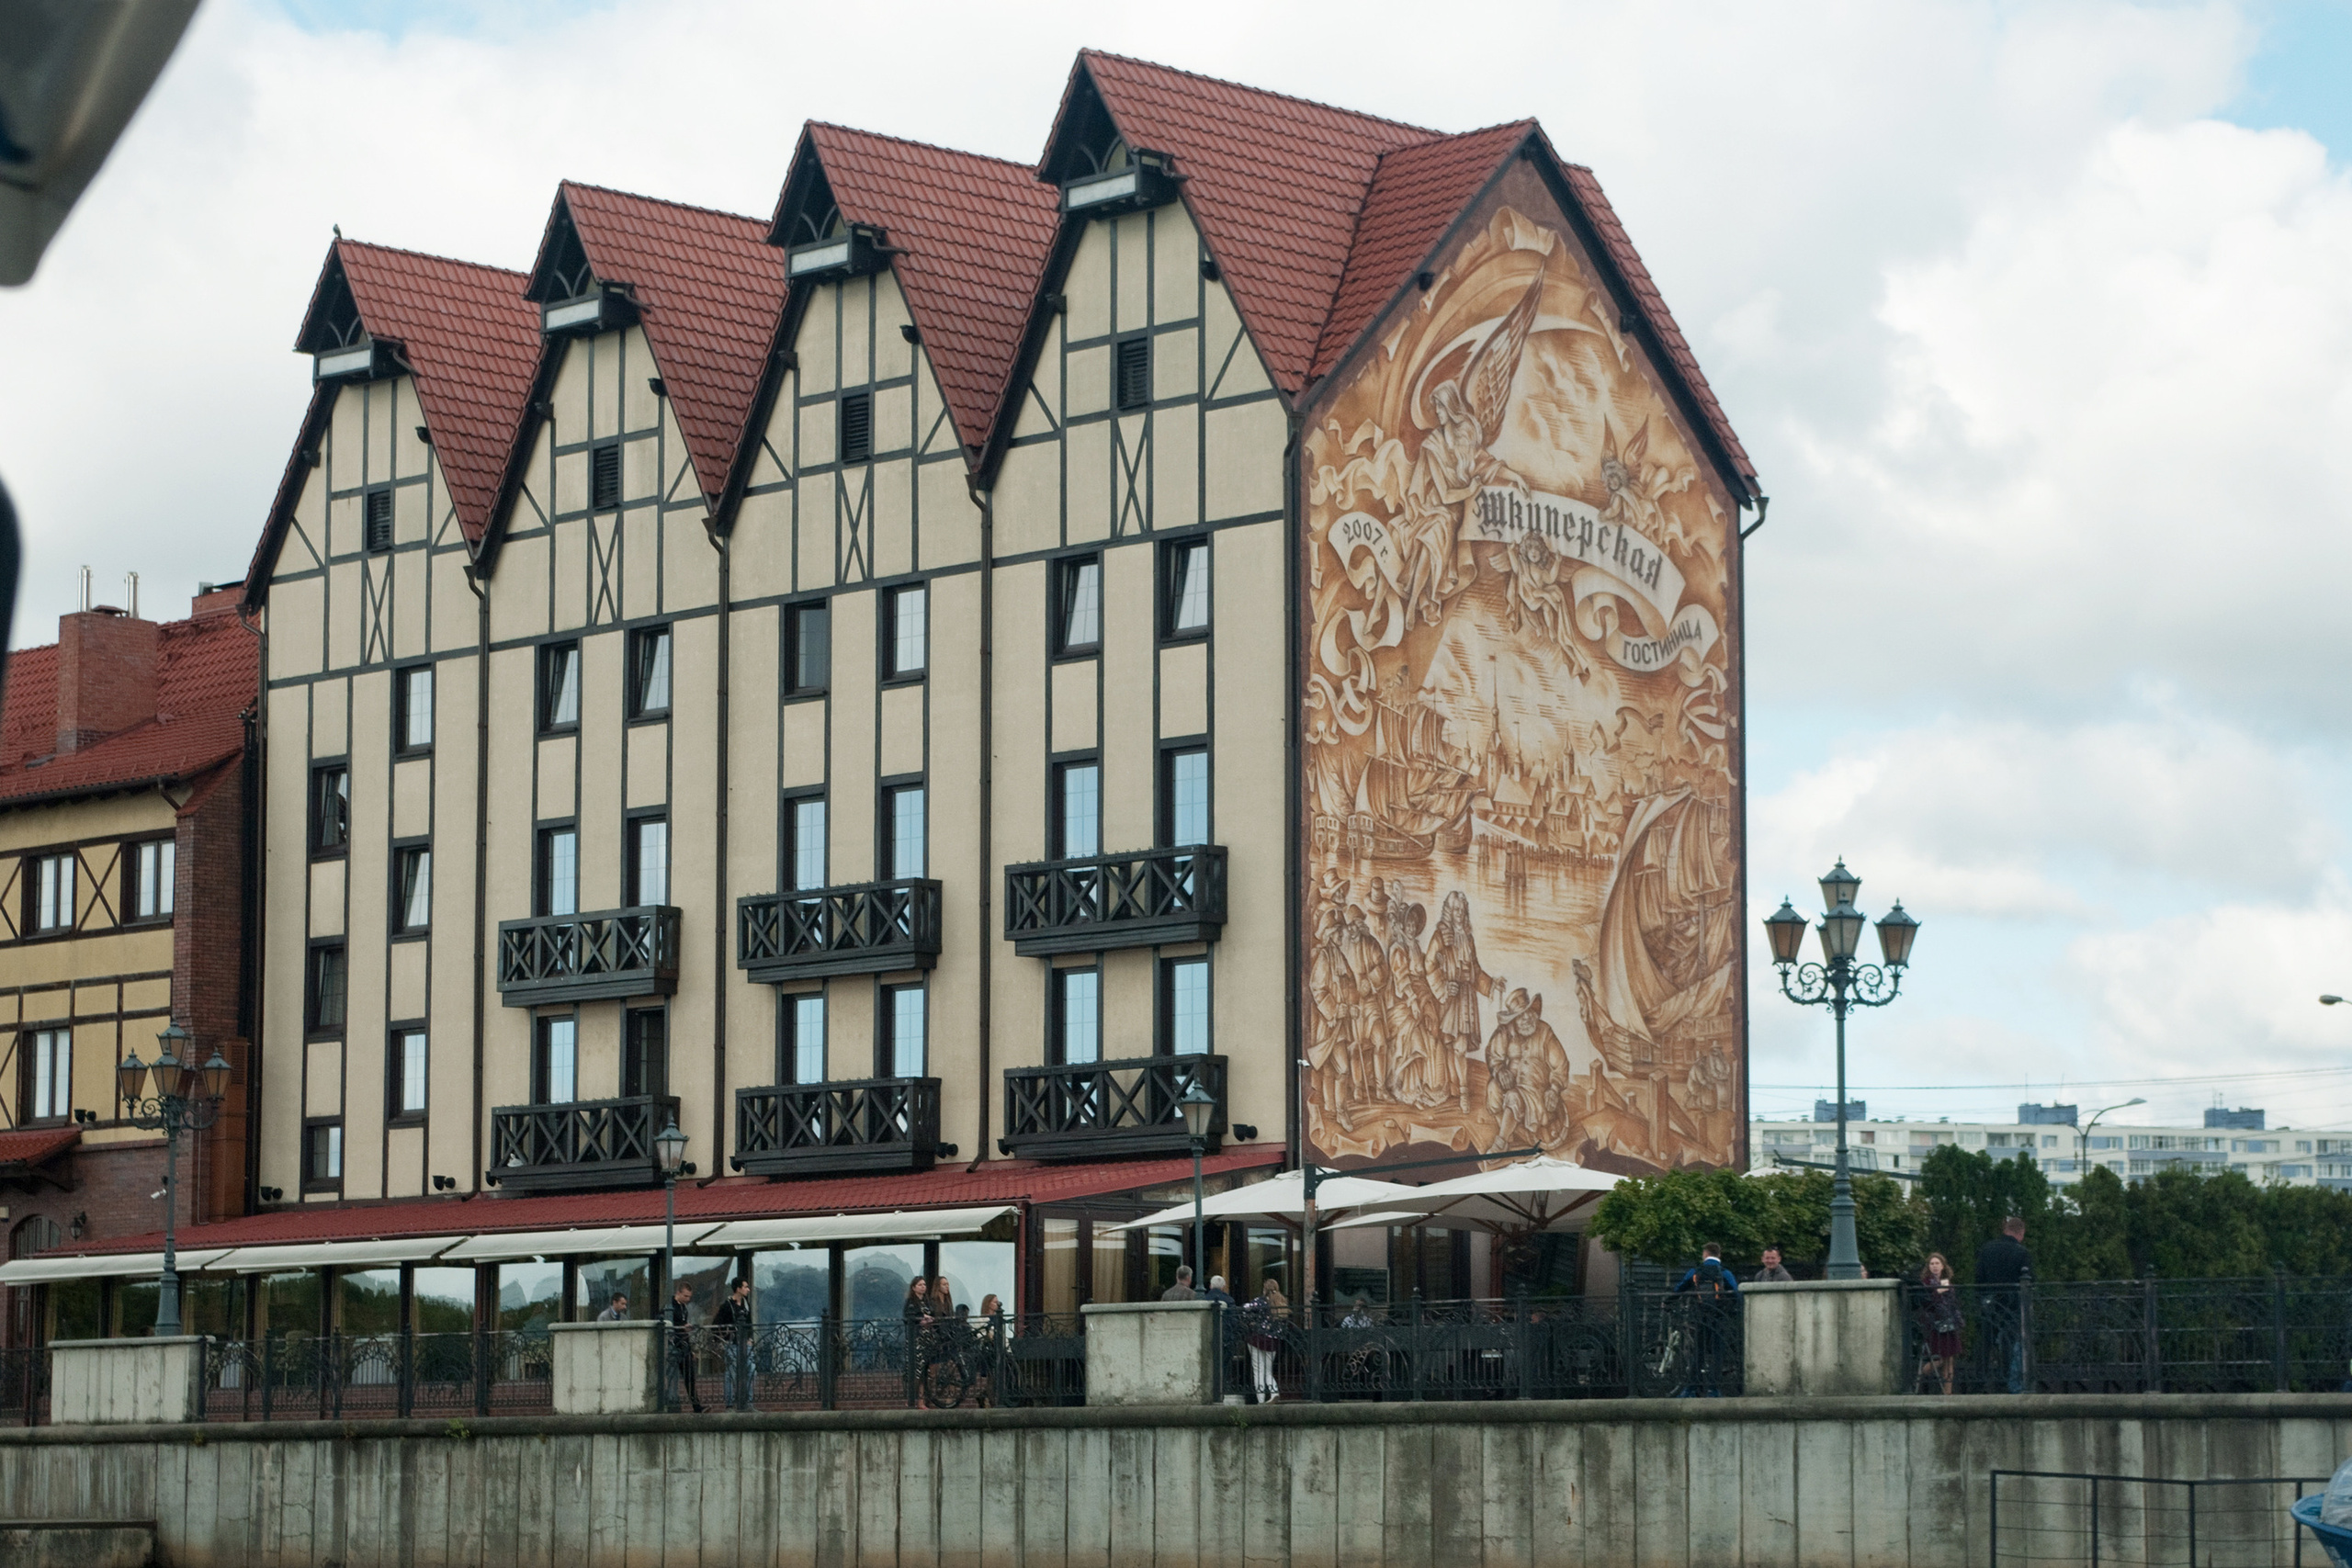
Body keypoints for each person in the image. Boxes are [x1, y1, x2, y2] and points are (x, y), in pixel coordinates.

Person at [1672, 1243, 1740, 1397]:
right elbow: (1736, 1293)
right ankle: (1713, 1390)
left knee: (1699, 1353)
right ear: (1719, 1255)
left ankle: (1691, 1388)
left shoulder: (1696, 1271)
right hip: (1718, 1317)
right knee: (1717, 1353)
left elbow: (1680, 1288)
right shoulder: (1725, 1272)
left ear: (1705, 1253)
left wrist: (1668, 1302)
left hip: (1701, 1317)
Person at [1975, 1216, 2032, 1394]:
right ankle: (2005, 1381)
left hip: (1989, 1304)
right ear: (2020, 1233)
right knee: (2009, 1343)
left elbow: (1978, 1279)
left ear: (2005, 1230)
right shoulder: (2022, 1253)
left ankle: (1979, 1381)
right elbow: (2030, 1282)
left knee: (1985, 1343)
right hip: (2012, 1306)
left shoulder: (1987, 1249)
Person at [1918, 1253, 1963, 1395]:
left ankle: (1948, 1394)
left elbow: (1953, 1302)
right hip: (1935, 1324)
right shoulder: (1926, 1282)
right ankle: (1923, 1372)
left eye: (1937, 1263)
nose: (1935, 1266)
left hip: (1950, 1323)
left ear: (1943, 1265)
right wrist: (1937, 1292)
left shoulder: (1947, 1281)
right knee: (1940, 1357)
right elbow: (1925, 1303)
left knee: (1950, 1359)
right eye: (1932, 1264)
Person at [710, 1276, 754, 1411]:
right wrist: (725, 1337)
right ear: (738, 1289)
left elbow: (749, 1323)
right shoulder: (727, 1306)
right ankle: (729, 1404)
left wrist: (750, 1338)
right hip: (732, 1344)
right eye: (746, 1287)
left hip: (745, 1345)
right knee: (731, 1373)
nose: (748, 1289)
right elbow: (716, 1325)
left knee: (751, 1370)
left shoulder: (746, 1304)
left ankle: (748, 1403)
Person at [1241, 1280, 1285, 1404]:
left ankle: (1260, 1400)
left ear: (1264, 1289)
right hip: (1273, 1341)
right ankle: (1274, 1393)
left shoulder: (1260, 1302)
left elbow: (1245, 1309)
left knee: (1258, 1370)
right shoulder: (1281, 1302)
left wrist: (1251, 1322)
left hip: (1257, 1338)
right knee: (1268, 1370)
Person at [667, 1283, 703, 1413]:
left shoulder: (684, 1307)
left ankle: (697, 1406)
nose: (688, 1299)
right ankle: (673, 1406)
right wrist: (682, 1326)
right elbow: (667, 1325)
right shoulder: (670, 1306)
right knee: (672, 1378)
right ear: (679, 1293)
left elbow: (684, 1330)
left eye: (689, 1297)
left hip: (684, 1346)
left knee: (690, 1377)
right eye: (686, 1296)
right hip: (673, 1345)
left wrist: (691, 1349)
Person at [903, 1278, 933, 1408]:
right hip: (915, 1340)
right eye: (920, 1285)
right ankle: (910, 1399)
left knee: (925, 1371)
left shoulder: (926, 1302)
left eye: (924, 1284)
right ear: (914, 1287)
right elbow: (907, 1318)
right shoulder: (911, 1302)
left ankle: (921, 1401)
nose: (923, 1287)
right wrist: (921, 1319)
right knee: (916, 1370)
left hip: (926, 1338)